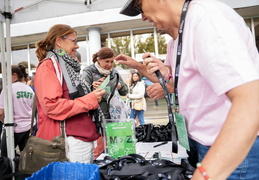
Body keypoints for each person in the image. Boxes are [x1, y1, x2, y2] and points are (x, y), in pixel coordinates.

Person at [116, 0, 259, 180]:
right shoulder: (183, 32)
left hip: (230, 147)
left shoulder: (208, 20)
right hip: (204, 140)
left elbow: (250, 100)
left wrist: (205, 174)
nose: (143, 17)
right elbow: (181, 83)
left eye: (140, 7)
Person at [34, 24, 105, 163]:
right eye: (74, 41)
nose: (77, 46)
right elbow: (52, 105)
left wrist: (90, 92)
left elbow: (69, 97)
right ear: (59, 41)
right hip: (69, 140)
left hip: (79, 137)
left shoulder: (66, 66)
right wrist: (90, 99)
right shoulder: (49, 66)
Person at [82, 47, 128, 119]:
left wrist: (120, 87)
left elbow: (125, 91)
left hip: (115, 115)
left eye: (112, 62)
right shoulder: (89, 71)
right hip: (96, 116)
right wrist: (92, 88)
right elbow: (82, 93)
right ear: (99, 59)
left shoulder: (115, 73)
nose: (109, 65)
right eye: (107, 61)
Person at [0, 64, 35, 157]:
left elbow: (1, 112)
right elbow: (33, 108)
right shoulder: (29, 89)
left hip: (13, 127)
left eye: (7, 75)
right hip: (28, 127)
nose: (5, 78)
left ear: (14, 75)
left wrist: (3, 121)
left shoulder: (7, 89)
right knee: (27, 158)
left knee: (5, 156)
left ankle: (11, 171)